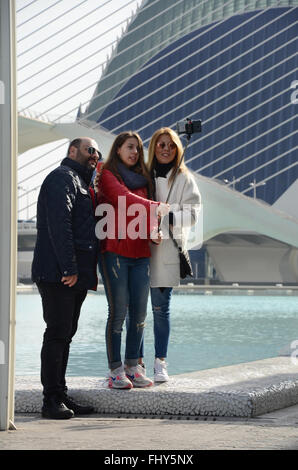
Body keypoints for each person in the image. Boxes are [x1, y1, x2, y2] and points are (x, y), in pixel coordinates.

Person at [32, 137, 101, 419]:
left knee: (65, 335)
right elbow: (59, 225)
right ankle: (50, 401)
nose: (95, 155)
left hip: (72, 274)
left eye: (97, 151)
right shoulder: (63, 178)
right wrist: (69, 268)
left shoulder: (82, 182)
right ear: (72, 151)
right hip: (59, 274)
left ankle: (60, 394)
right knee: (57, 334)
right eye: (90, 149)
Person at [95, 131, 169, 389]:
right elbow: (124, 201)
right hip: (114, 252)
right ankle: (115, 370)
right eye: (130, 147)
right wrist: (154, 206)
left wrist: (155, 231)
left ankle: (132, 367)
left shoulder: (143, 179)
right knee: (118, 313)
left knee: (139, 314)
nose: (135, 152)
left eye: (138, 148)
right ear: (118, 149)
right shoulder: (107, 174)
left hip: (140, 254)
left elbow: (148, 213)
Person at [141, 127, 201, 382]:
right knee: (136, 312)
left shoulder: (185, 178)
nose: (165, 149)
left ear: (177, 149)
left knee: (160, 310)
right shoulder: (141, 176)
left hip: (167, 252)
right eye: (161, 144)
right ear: (154, 147)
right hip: (140, 251)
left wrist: (168, 215)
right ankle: (136, 363)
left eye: (171, 145)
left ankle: (160, 362)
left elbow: (194, 213)